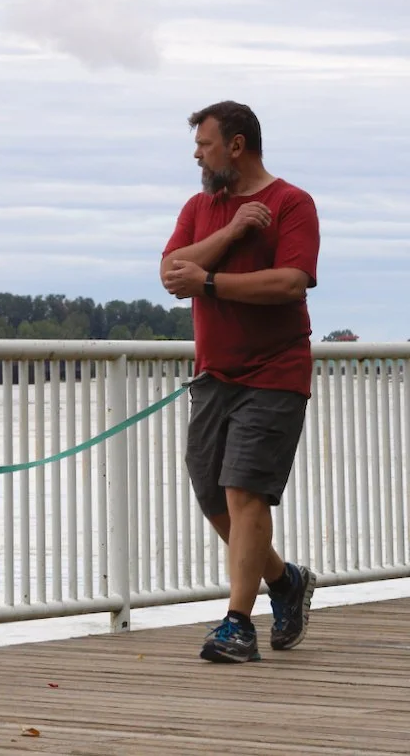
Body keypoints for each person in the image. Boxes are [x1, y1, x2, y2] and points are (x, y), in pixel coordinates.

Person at [160, 101, 319, 663]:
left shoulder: (291, 203)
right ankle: (285, 580)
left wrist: (210, 282)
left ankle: (237, 624)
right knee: (212, 493)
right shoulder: (200, 207)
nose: (196, 155)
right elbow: (172, 271)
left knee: (244, 489)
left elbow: (291, 283)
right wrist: (230, 232)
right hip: (214, 376)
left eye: (204, 144)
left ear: (236, 145)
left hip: (275, 371)